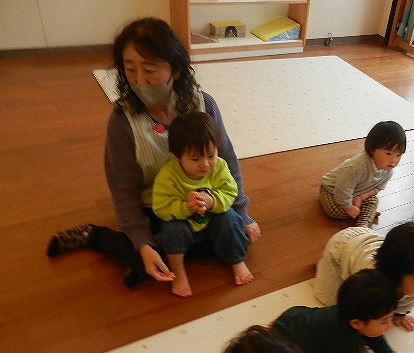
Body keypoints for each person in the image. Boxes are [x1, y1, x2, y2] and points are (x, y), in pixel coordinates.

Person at [46, 17, 261, 288]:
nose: (139, 80)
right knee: (159, 250)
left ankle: (145, 258)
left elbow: (226, 161)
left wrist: (242, 214)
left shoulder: (203, 104)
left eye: (150, 70)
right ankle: (96, 236)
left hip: (205, 200)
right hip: (160, 209)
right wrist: (143, 242)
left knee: (236, 237)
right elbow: (123, 191)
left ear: (176, 70)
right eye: (130, 70)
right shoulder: (123, 121)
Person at [152, 112, 252, 296]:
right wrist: (186, 207)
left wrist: (213, 201)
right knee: (171, 232)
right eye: (196, 159)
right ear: (177, 155)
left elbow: (231, 191)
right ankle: (179, 271)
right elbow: (160, 207)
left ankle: (237, 260)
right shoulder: (168, 175)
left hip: (213, 218)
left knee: (231, 220)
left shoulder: (219, 166)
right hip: (184, 223)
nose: (205, 164)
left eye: (211, 155)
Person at [271, 268, 399, 353]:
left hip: (295, 317)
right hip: (285, 343)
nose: (390, 325)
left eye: (390, 318)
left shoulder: (353, 315)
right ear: (356, 323)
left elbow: (377, 339)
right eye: (384, 321)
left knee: (366, 337)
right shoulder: (344, 344)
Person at [312, 220, 414, 332]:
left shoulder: (412, 277)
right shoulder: (370, 283)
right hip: (342, 245)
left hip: (368, 241)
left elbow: (409, 297)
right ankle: (325, 263)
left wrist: (400, 314)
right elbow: (356, 309)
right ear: (396, 273)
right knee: (332, 303)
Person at [319, 120, 406, 228]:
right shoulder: (357, 167)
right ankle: (362, 213)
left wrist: (361, 197)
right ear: (372, 149)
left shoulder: (388, 171)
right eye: (388, 153)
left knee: (373, 201)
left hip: (355, 192)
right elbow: (342, 189)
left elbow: (377, 188)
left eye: (399, 155)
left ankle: (362, 225)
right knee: (334, 211)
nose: (393, 160)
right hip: (332, 191)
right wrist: (348, 207)